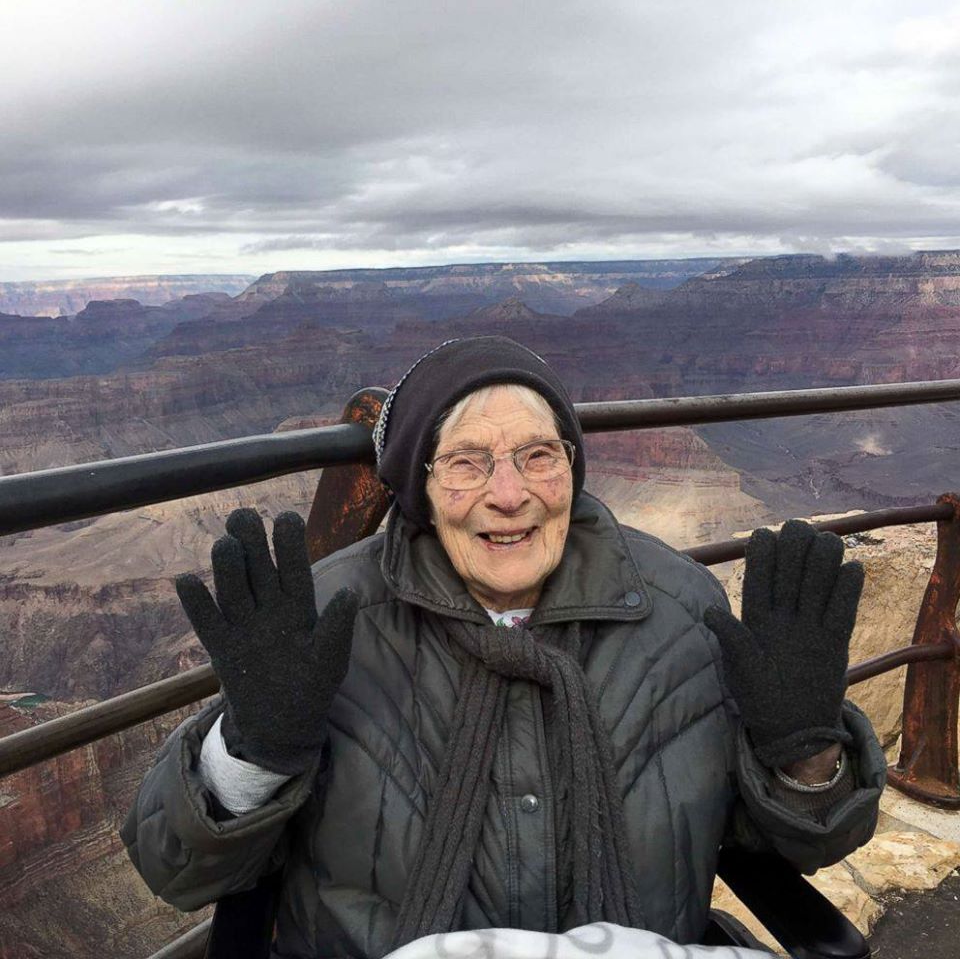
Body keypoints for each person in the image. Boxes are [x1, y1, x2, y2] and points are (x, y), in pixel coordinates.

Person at [122, 336, 886, 958]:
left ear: (572, 466)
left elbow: (788, 848)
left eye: (538, 455)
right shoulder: (328, 622)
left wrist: (803, 758)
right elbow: (174, 869)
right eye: (466, 462)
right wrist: (253, 754)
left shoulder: (680, 611)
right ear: (420, 487)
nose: (510, 493)